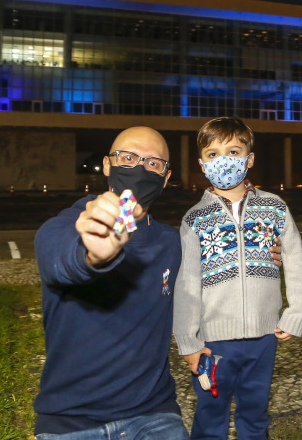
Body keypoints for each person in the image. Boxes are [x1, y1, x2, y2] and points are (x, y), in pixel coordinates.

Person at [33, 126, 283, 440]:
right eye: (128, 158)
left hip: (153, 414)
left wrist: (261, 254)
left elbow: (213, 277)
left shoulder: (171, 243)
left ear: (165, 178)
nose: (140, 169)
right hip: (72, 422)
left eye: (153, 163)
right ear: (108, 165)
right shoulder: (63, 228)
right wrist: (94, 255)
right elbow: (62, 263)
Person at [173, 116, 302, 440]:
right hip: (213, 340)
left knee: (255, 411)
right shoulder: (195, 219)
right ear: (202, 164)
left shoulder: (274, 207)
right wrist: (188, 340)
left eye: (233, 151)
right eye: (213, 154)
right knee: (210, 414)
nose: (223, 160)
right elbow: (186, 283)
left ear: (249, 159)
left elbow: (295, 259)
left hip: (264, 337)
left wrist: (296, 313)